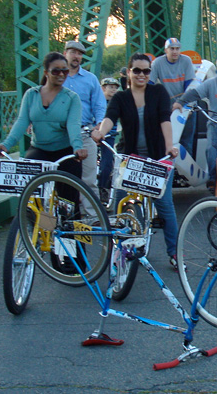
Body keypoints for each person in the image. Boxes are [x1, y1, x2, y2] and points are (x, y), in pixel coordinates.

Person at [91, 53, 181, 270]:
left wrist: (170, 145)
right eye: (137, 70)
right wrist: (101, 132)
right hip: (129, 156)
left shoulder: (158, 92)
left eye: (146, 71)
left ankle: (175, 253)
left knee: (165, 204)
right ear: (129, 72)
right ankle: (119, 249)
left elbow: (164, 119)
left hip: (158, 155)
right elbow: (110, 117)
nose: (142, 75)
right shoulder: (121, 98)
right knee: (120, 203)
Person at [0, 52, 87, 204]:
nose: (61, 74)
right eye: (56, 71)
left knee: (69, 200)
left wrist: (78, 147)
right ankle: (27, 222)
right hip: (40, 149)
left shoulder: (71, 98)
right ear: (46, 73)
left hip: (65, 151)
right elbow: (22, 121)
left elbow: (73, 125)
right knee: (29, 196)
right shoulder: (31, 95)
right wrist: (6, 144)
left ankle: (69, 224)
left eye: (65, 70)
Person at [174, 55, 217, 190]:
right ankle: (213, 179)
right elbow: (195, 93)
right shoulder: (211, 83)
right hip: (216, 122)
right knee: (211, 149)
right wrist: (180, 102)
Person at [62, 41, 107, 215]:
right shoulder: (58, 76)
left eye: (80, 54)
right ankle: (67, 216)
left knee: (89, 178)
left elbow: (100, 105)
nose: (77, 56)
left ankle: (93, 216)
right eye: (73, 52)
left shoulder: (90, 79)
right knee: (64, 178)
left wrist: (99, 126)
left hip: (85, 132)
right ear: (65, 53)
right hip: (62, 134)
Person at [149, 37, 196, 153]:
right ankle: (168, 167)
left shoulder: (186, 60)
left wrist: (186, 106)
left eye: (177, 49)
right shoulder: (158, 63)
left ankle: (185, 170)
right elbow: (149, 84)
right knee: (166, 140)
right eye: (172, 49)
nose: (175, 52)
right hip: (167, 105)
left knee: (186, 141)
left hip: (185, 102)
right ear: (166, 50)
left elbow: (189, 85)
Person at [98, 77, 121, 202]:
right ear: (103, 88)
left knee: (107, 163)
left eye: (115, 88)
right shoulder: (97, 101)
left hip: (109, 136)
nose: (113, 90)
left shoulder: (117, 103)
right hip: (94, 134)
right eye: (111, 87)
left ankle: (103, 189)